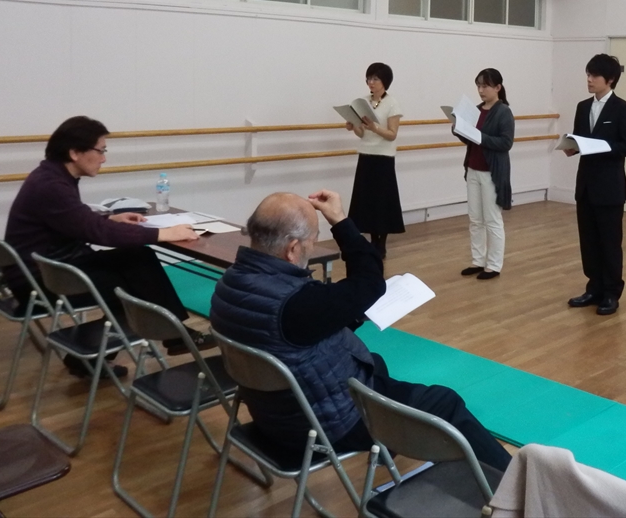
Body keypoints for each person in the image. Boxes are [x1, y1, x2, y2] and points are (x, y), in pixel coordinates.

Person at [209, 190, 512, 471]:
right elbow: (370, 281)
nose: (313, 246)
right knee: (444, 403)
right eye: (313, 239)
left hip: (271, 414)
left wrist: (345, 313)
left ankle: (387, 448)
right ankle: (513, 486)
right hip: (321, 427)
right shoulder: (298, 304)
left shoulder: (229, 283)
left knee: (375, 363)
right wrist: (340, 221)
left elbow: (292, 333)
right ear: (292, 249)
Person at [3, 116, 213, 375]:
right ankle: (175, 335)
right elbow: (98, 233)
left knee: (138, 259)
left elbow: (74, 221)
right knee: (135, 286)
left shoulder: (51, 177)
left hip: (50, 269)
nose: (103, 159)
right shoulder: (51, 185)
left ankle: (95, 357)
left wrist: (110, 219)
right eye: (100, 151)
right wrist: (164, 233)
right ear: (75, 153)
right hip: (41, 282)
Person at [564, 54, 626, 316]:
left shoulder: (624, 109)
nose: (589, 79)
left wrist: (599, 147)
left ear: (610, 79)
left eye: (594, 75)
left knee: (609, 242)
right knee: (588, 241)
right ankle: (593, 287)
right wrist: (573, 147)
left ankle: (611, 292)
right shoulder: (583, 107)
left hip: (609, 187)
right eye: (588, 74)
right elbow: (579, 139)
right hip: (586, 184)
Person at [455, 69, 514, 280]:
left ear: (497, 88)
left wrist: (479, 136)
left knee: (492, 219)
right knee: (475, 219)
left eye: (485, 86)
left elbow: (506, 142)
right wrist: (458, 127)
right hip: (473, 169)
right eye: (478, 86)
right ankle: (478, 261)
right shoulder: (477, 110)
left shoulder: (503, 112)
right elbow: (470, 139)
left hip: (491, 173)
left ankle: (494, 265)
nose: (481, 90)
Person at [345, 62, 404, 258]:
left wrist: (374, 127)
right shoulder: (363, 101)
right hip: (366, 155)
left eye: (375, 79)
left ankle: (382, 243)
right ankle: (372, 240)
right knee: (367, 200)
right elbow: (362, 134)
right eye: (369, 78)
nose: (371, 82)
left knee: (382, 201)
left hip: (383, 158)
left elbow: (392, 134)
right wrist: (354, 125)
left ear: (384, 81)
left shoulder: (392, 103)